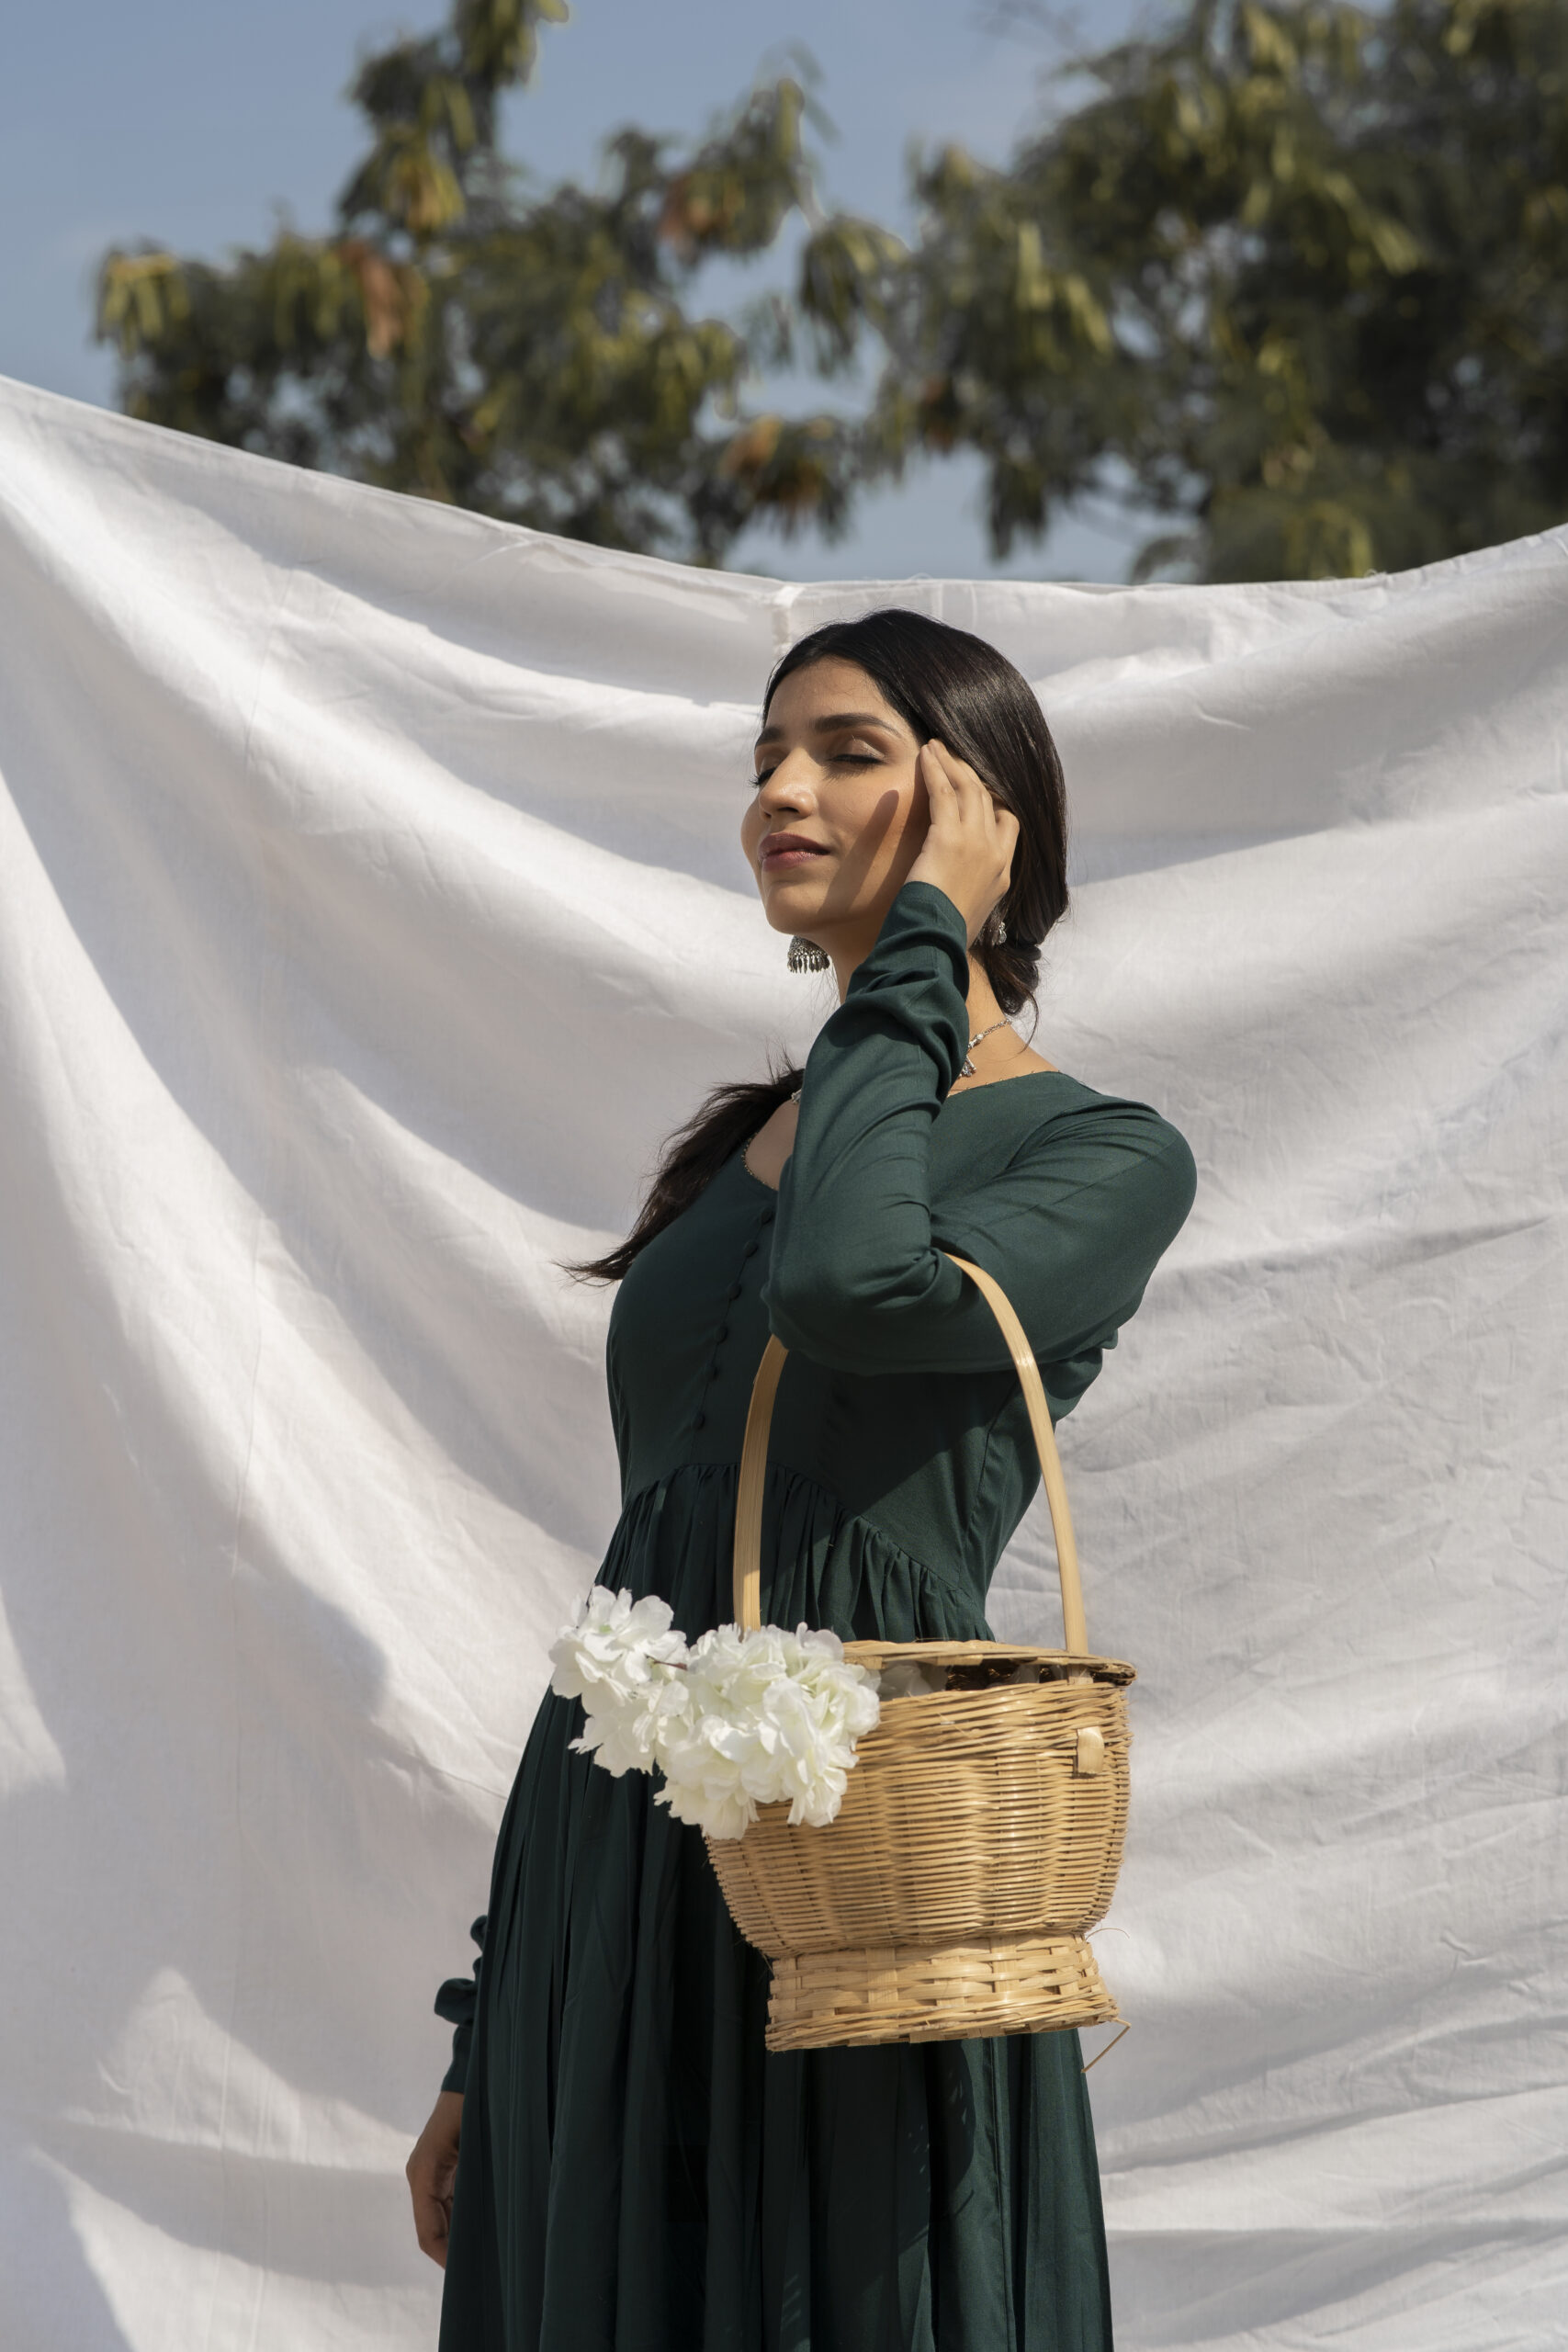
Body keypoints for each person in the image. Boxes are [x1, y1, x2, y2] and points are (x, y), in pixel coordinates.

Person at [407, 608, 1197, 2351]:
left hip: (870, 1839)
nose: (780, 789)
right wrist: (491, 2025)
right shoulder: (742, 1143)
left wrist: (927, 946)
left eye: (848, 752)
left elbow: (852, 1288)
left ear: (981, 812)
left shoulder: (1103, 1154)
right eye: (767, 754)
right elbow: (642, 1560)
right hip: (617, 1848)